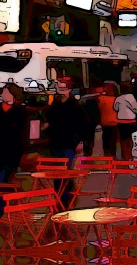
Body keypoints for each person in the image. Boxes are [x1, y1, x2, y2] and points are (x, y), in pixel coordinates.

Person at [0, 83, 28, 216]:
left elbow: (21, 132)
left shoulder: (20, 111)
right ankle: (12, 201)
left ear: (12, 94)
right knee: (1, 181)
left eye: (5, 92)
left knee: (2, 182)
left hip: (11, 152)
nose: (2, 94)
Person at [44, 79, 87, 208]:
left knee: (65, 171)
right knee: (57, 172)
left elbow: (82, 124)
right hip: (55, 142)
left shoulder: (75, 106)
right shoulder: (54, 105)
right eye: (59, 88)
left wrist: (81, 141)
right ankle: (60, 197)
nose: (60, 91)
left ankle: (65, 198)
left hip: (69, 143)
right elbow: (48, 119)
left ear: (69, 90)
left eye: (63, 89)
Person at [114, 82, 137, 160]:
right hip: (131, 121)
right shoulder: (131, 97)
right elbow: (135, 108)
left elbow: (115, 108)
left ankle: (124, 155)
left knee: (122, 139)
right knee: (130, 139)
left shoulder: (118, 98)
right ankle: (130, 155)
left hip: (121, 121)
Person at [98, 82, 120, 157]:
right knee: (113, 142)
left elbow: (99, 109)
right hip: (115, 123)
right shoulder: (117, 99)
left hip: (105, 123)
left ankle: (108, 157)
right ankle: (113, 156)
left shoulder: (102, 99)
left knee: (106, 142)